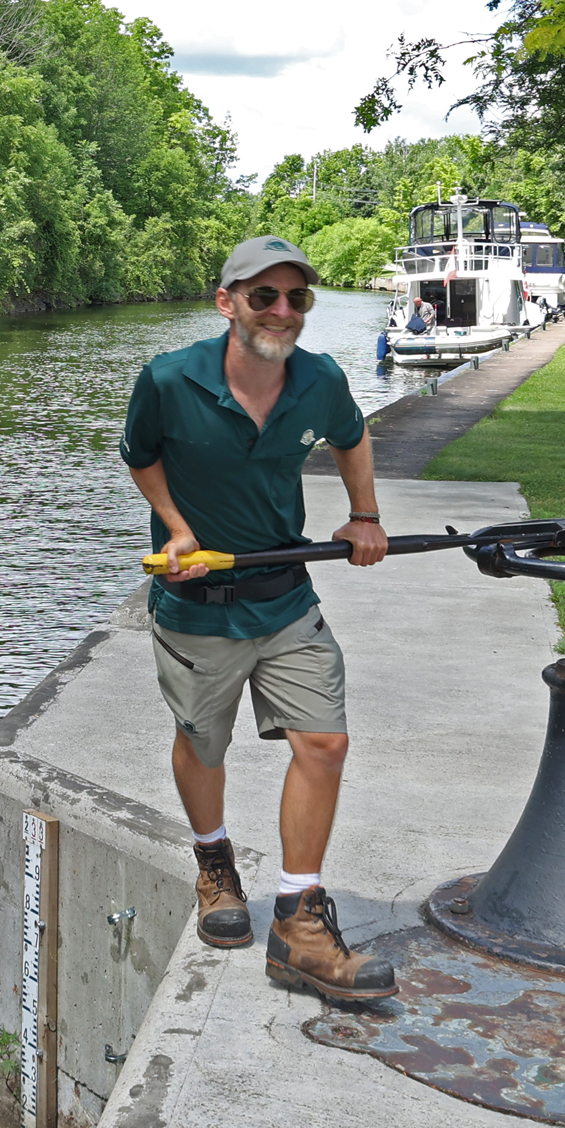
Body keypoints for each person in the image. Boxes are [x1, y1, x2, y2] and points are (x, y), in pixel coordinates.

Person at [120, 235, 396, 1001]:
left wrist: (365, 515)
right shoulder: (169, 381)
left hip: (285, 591)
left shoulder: (320, 379)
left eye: (295, 298)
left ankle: (299, 921)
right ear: (227, 303)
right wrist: (175, 526)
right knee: (204, 742)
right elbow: (138, 453)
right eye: (263, 296)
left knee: (325, 741)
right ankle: (215, 865)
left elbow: (352, 435)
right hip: (196, 605)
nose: (281, 311)